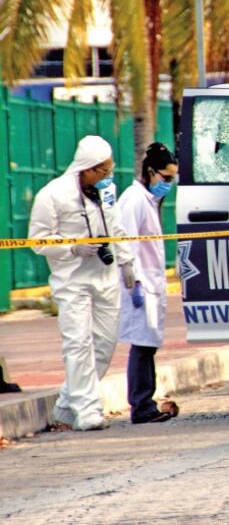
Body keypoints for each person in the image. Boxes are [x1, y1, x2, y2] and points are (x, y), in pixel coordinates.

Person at [28, 135, 136, 430]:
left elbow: (116, 227)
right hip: (72, 281)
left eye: (111, 169)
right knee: (77, 343)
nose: (109, 175)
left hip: (105, 278)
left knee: (104, 344)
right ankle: (87, 410)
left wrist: (127, 262)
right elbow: (37, 240)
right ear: (87, 168)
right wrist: (72, 247)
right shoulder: (53, 195)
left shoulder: (106, 192)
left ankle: (66, 405)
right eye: (104, 170)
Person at [118, 143, 180, 424]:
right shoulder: (134, 200)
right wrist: (135, 282)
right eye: (165, 177)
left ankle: (145, 402)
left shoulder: (148, 200)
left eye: (172, 178)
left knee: (147, 346)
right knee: (142, 346)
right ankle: (141, 405)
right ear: (151, 172)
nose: (168, 184)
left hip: (150, 283)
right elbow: (127, 244)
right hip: (141, 284)